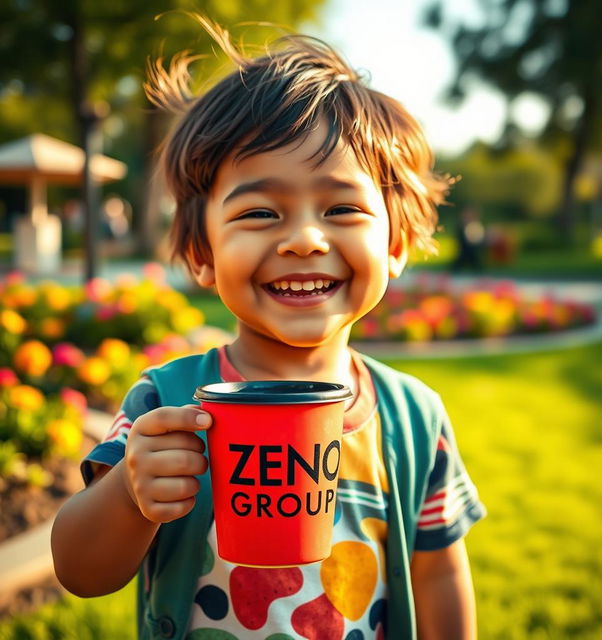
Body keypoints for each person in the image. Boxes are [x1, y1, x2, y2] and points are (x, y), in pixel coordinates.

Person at [51, 21, 485, 640]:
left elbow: (439, 574)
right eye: (259, 212)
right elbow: (79, 570)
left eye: (341, 209)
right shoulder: (166, 404)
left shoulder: (415, 419)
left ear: (396, 244)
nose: (305, 239)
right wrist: (129, 492)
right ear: (202, 253)